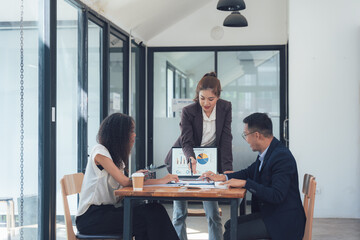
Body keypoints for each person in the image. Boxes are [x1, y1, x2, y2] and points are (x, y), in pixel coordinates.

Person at [76, 113, 180, 240]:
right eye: (131, 131)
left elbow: (125, 188)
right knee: (152, 215)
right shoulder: (100, 151)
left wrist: (155, 180)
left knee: (153, 211)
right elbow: (125, 182)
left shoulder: (117, 160)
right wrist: (153, 180)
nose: (134, 135)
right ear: (119, 134)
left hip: (107, 212)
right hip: (91, 218)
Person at [202, 112, 306, 240]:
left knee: (231, 233)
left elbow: (277, 195)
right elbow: (248, 172)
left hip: (284, 222)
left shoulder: (281, 157)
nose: (245, 139)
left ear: (257, 135)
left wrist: (246, 184)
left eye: (245, 135)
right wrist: (223, 177)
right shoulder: (268, 152)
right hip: (273, 214)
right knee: (230, 225)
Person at [165, 72, 233, 240]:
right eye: (202, 98)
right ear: (198, 95)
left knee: (213, 213)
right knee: (180, 213)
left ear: (218, 96)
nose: (206, 103)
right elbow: (186, 140)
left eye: (211, 99)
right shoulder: (189, 111)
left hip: (209, 160)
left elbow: (225, 140)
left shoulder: (225, 107)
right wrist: (191, 157)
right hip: (184, 158)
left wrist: (227, 171)